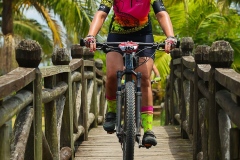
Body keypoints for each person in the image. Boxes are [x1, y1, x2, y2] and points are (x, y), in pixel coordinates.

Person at [84, 0, 177, 148]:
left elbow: (161, 14)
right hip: (117, 34)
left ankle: (148, 129)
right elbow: (101, 14)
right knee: (112, 75)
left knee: (145, 78)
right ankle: (112, 113)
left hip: (143, 35)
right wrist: (91, 35)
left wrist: (170, 37)